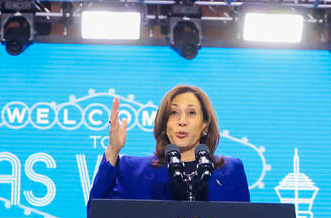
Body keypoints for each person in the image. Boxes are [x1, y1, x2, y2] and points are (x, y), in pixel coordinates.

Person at [89, 85, 250, 203]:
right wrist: (112, 150)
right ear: (165, 124)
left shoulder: (231, 171)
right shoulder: (133, 170)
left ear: (205, 125)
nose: (182, 121)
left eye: (191, 113)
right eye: (174, 113)